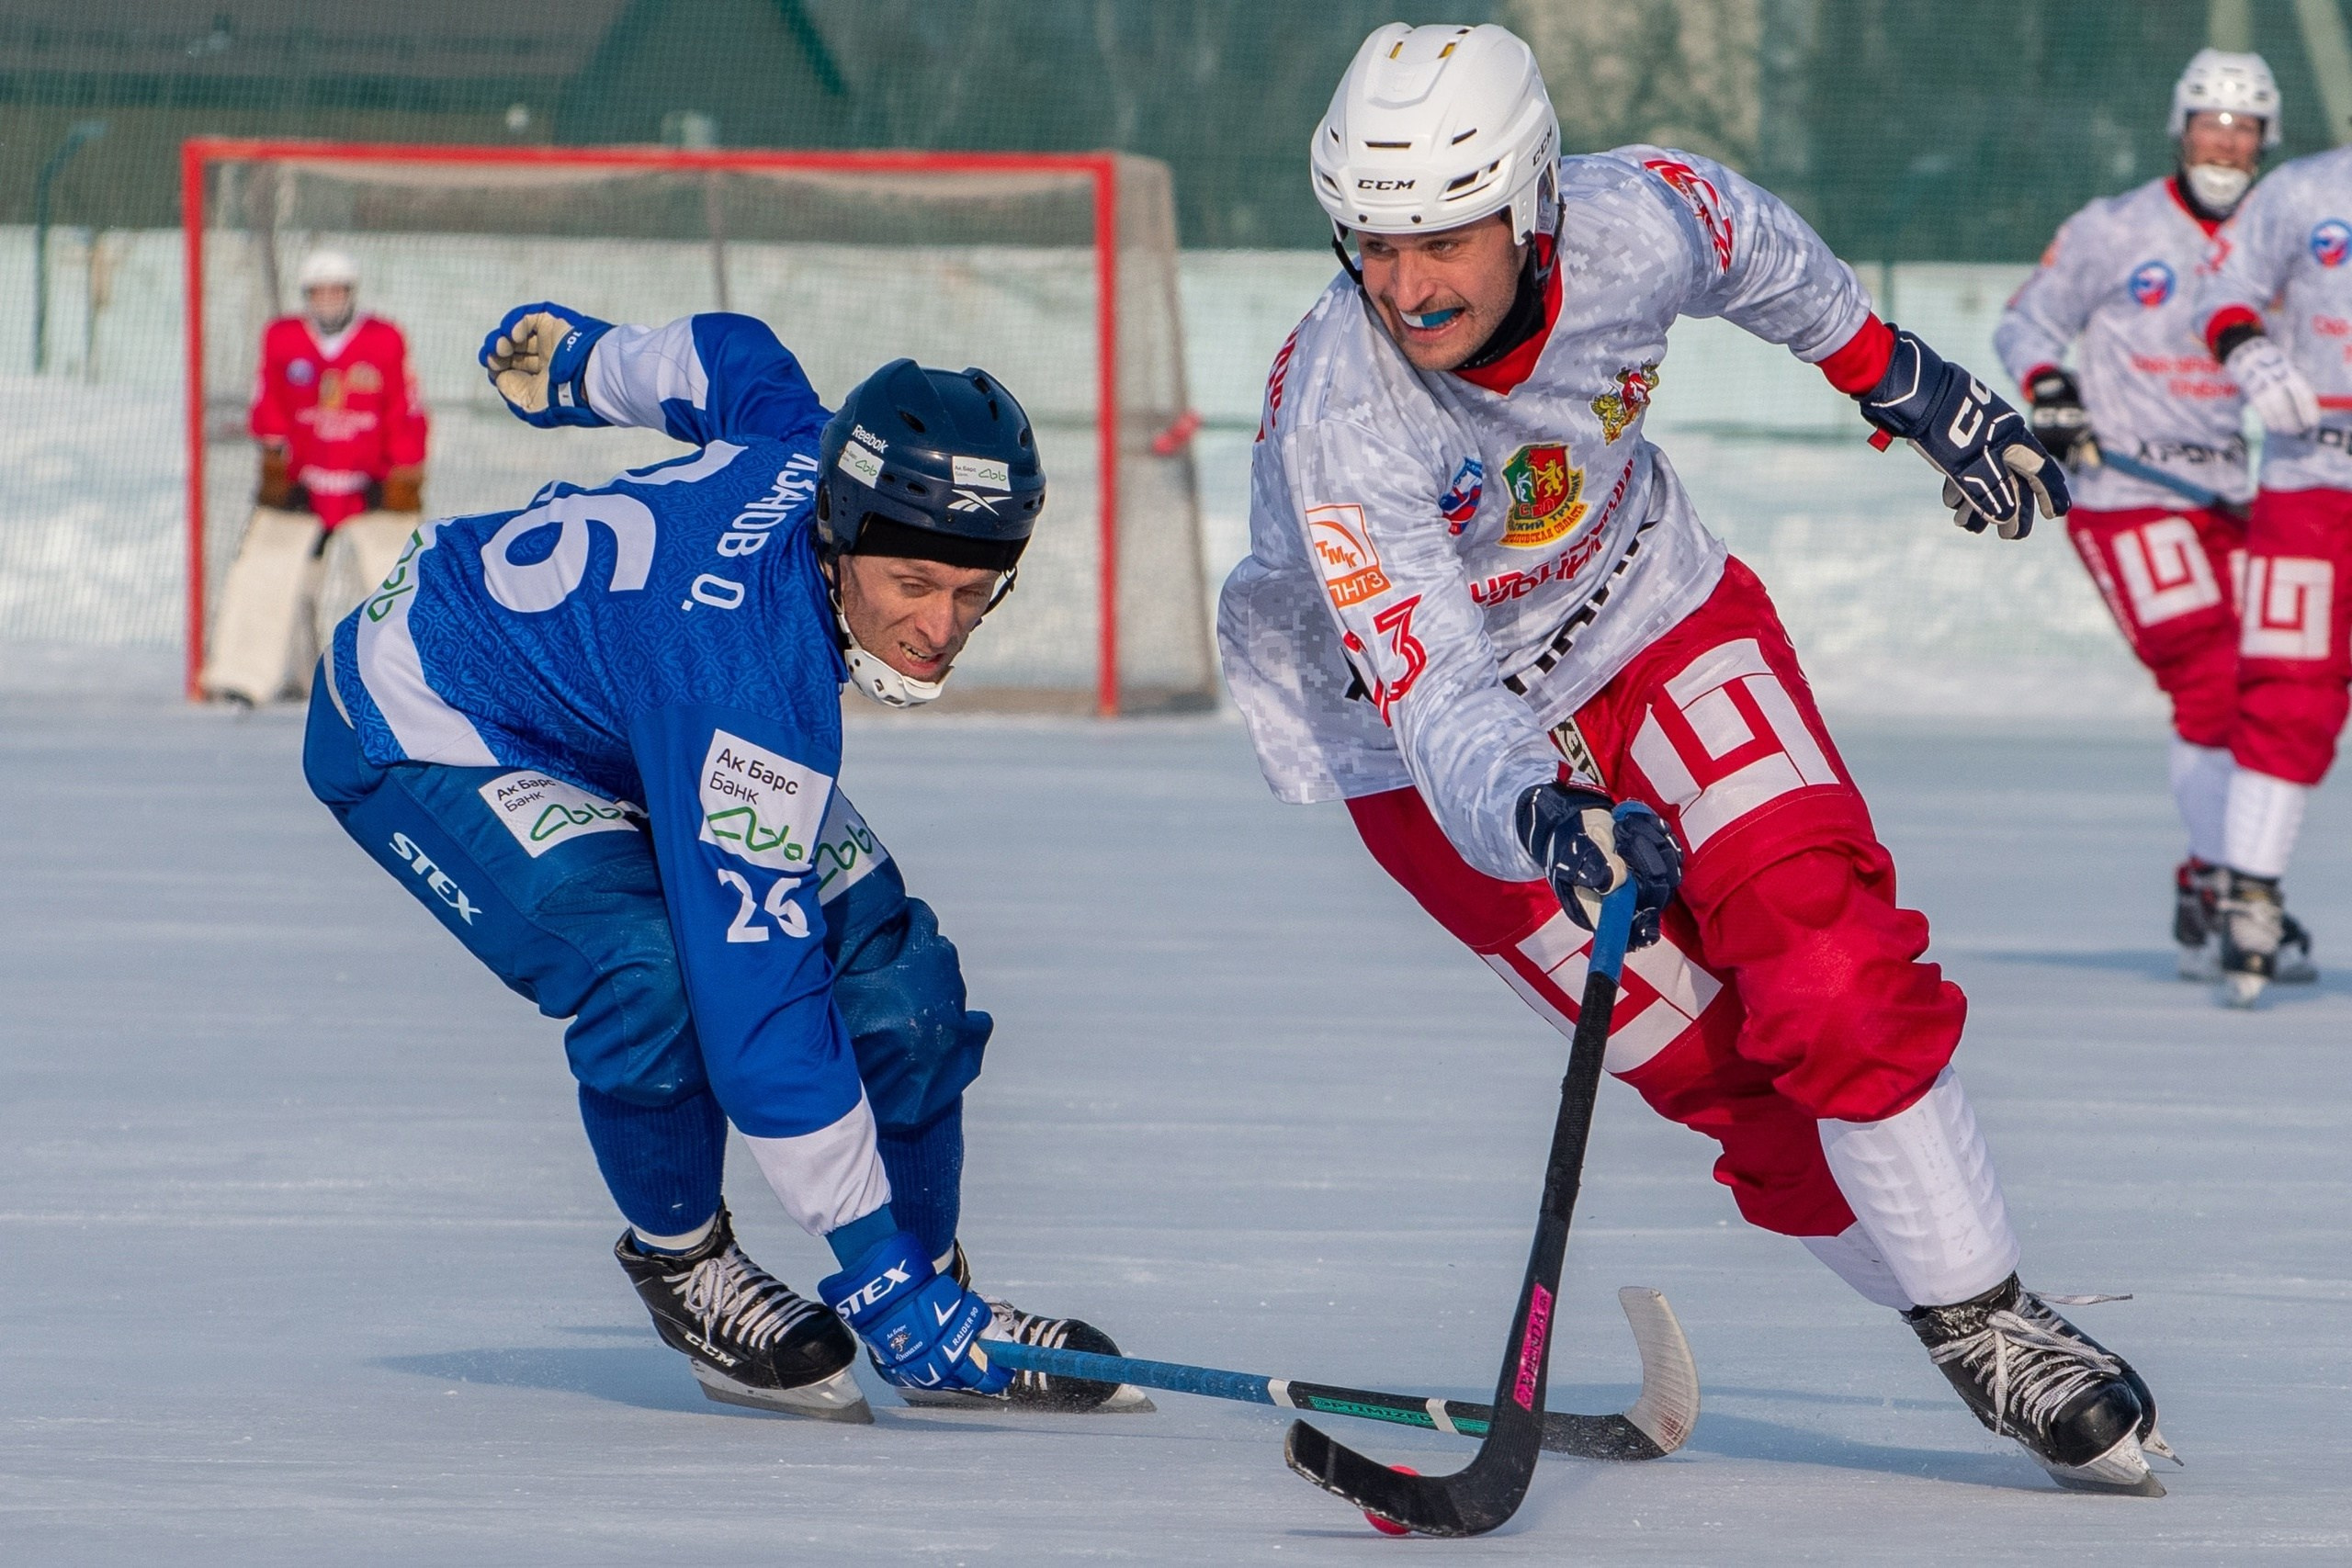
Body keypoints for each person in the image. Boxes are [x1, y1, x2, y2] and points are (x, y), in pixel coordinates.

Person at [1219, 23, 2173, 1495]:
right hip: (1427, 754)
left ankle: (1993, 1327)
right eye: (1371, 243)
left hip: (1647, 617)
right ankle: (1957, 1301)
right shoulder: (1342, 413)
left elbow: (1762, 250)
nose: (1405, 287)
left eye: (1443, 241)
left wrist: (1900, 377)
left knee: (1828, 956)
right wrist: (1542, 807)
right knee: (1734, 1082)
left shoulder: (1637, 219)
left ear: (1533, 201)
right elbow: (1435, 684)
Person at [302, 304, 1143, 1420]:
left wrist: (584, 365)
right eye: (911, 585)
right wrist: (865, 1265)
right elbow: (761, 1019)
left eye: (973, 593)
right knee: (649, 974)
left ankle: (935, 1302)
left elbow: (730, 355)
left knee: (903, 985)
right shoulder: (749, 693)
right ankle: (684, 1260)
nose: (938, 629)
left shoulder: (811, 450)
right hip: (434, 717)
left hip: (633, 708)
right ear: (839, 535)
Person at [1998, 50, 2316, 994]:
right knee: (2208, 680)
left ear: (2266, 140)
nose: (2224, 140)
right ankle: (2227, 888)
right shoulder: (2115, 228)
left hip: (2232, 495)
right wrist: (2051, 395)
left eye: (2243, 126)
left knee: (2261, 686)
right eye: (2208, 121)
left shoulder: (2284, 236)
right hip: (2123, 493)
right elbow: (2023, 323)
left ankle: (2206, 885)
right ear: (2180, 127)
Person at [2191, 118, 2352, 1006]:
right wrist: (2245, 348)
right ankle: (2249, 898)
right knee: (2290, 689)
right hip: (2311, 483)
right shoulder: (2306, 190)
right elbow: (2224, 283)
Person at [203, 249, 429, 707]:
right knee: (263, 573)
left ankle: (420, 677)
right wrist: (277, 467)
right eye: (319, 292)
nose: (328, 300)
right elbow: (268, 404)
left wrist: (400, 475)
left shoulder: (384, 340)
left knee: (402, 578)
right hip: (304, 488)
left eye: (337, 291)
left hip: (370, 490)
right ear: (307, 296)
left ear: (351, 294)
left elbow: (405, 409)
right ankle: (242, 676)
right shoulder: (283, 339)